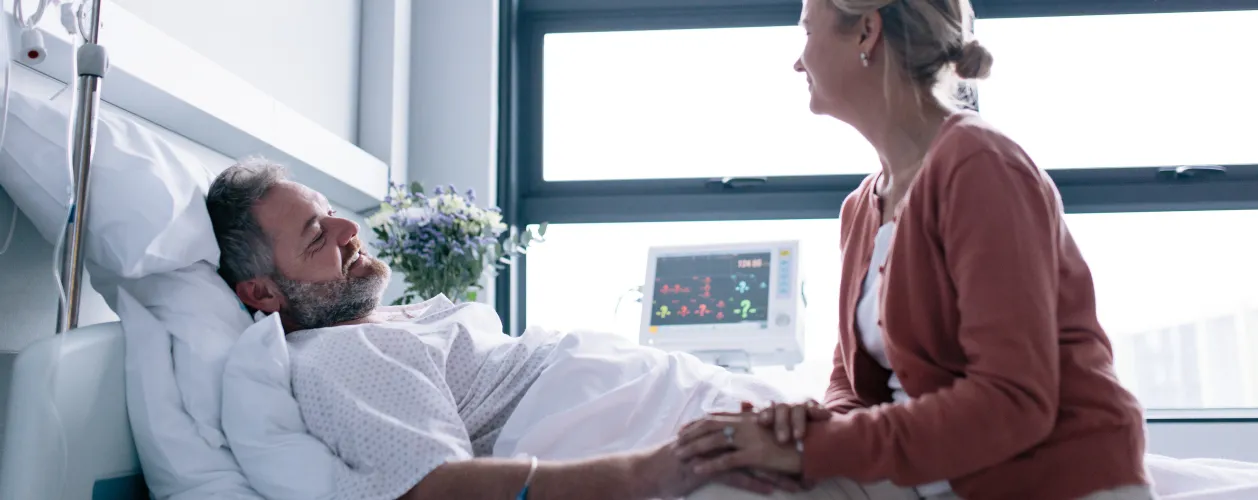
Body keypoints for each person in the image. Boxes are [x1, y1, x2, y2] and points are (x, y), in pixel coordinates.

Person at [674, 1, 1154, 499]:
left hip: (1040, 474)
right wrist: (804, 427)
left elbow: (1012, 401)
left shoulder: (981, 165)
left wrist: (814, 449)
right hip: (936, 472)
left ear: (866, 32)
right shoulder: (862, 207)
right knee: (723, 484)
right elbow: (854, 384)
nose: (798, 62)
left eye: (806, 32)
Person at [205, 159, 812, 500]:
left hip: (683, 397)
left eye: (333, 215)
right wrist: (652, 471)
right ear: (262, 293)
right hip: (662, 438)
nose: (347, 233)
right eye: (317, 237)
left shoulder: (383, 320)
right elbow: (440, 487)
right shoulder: (337, 355)